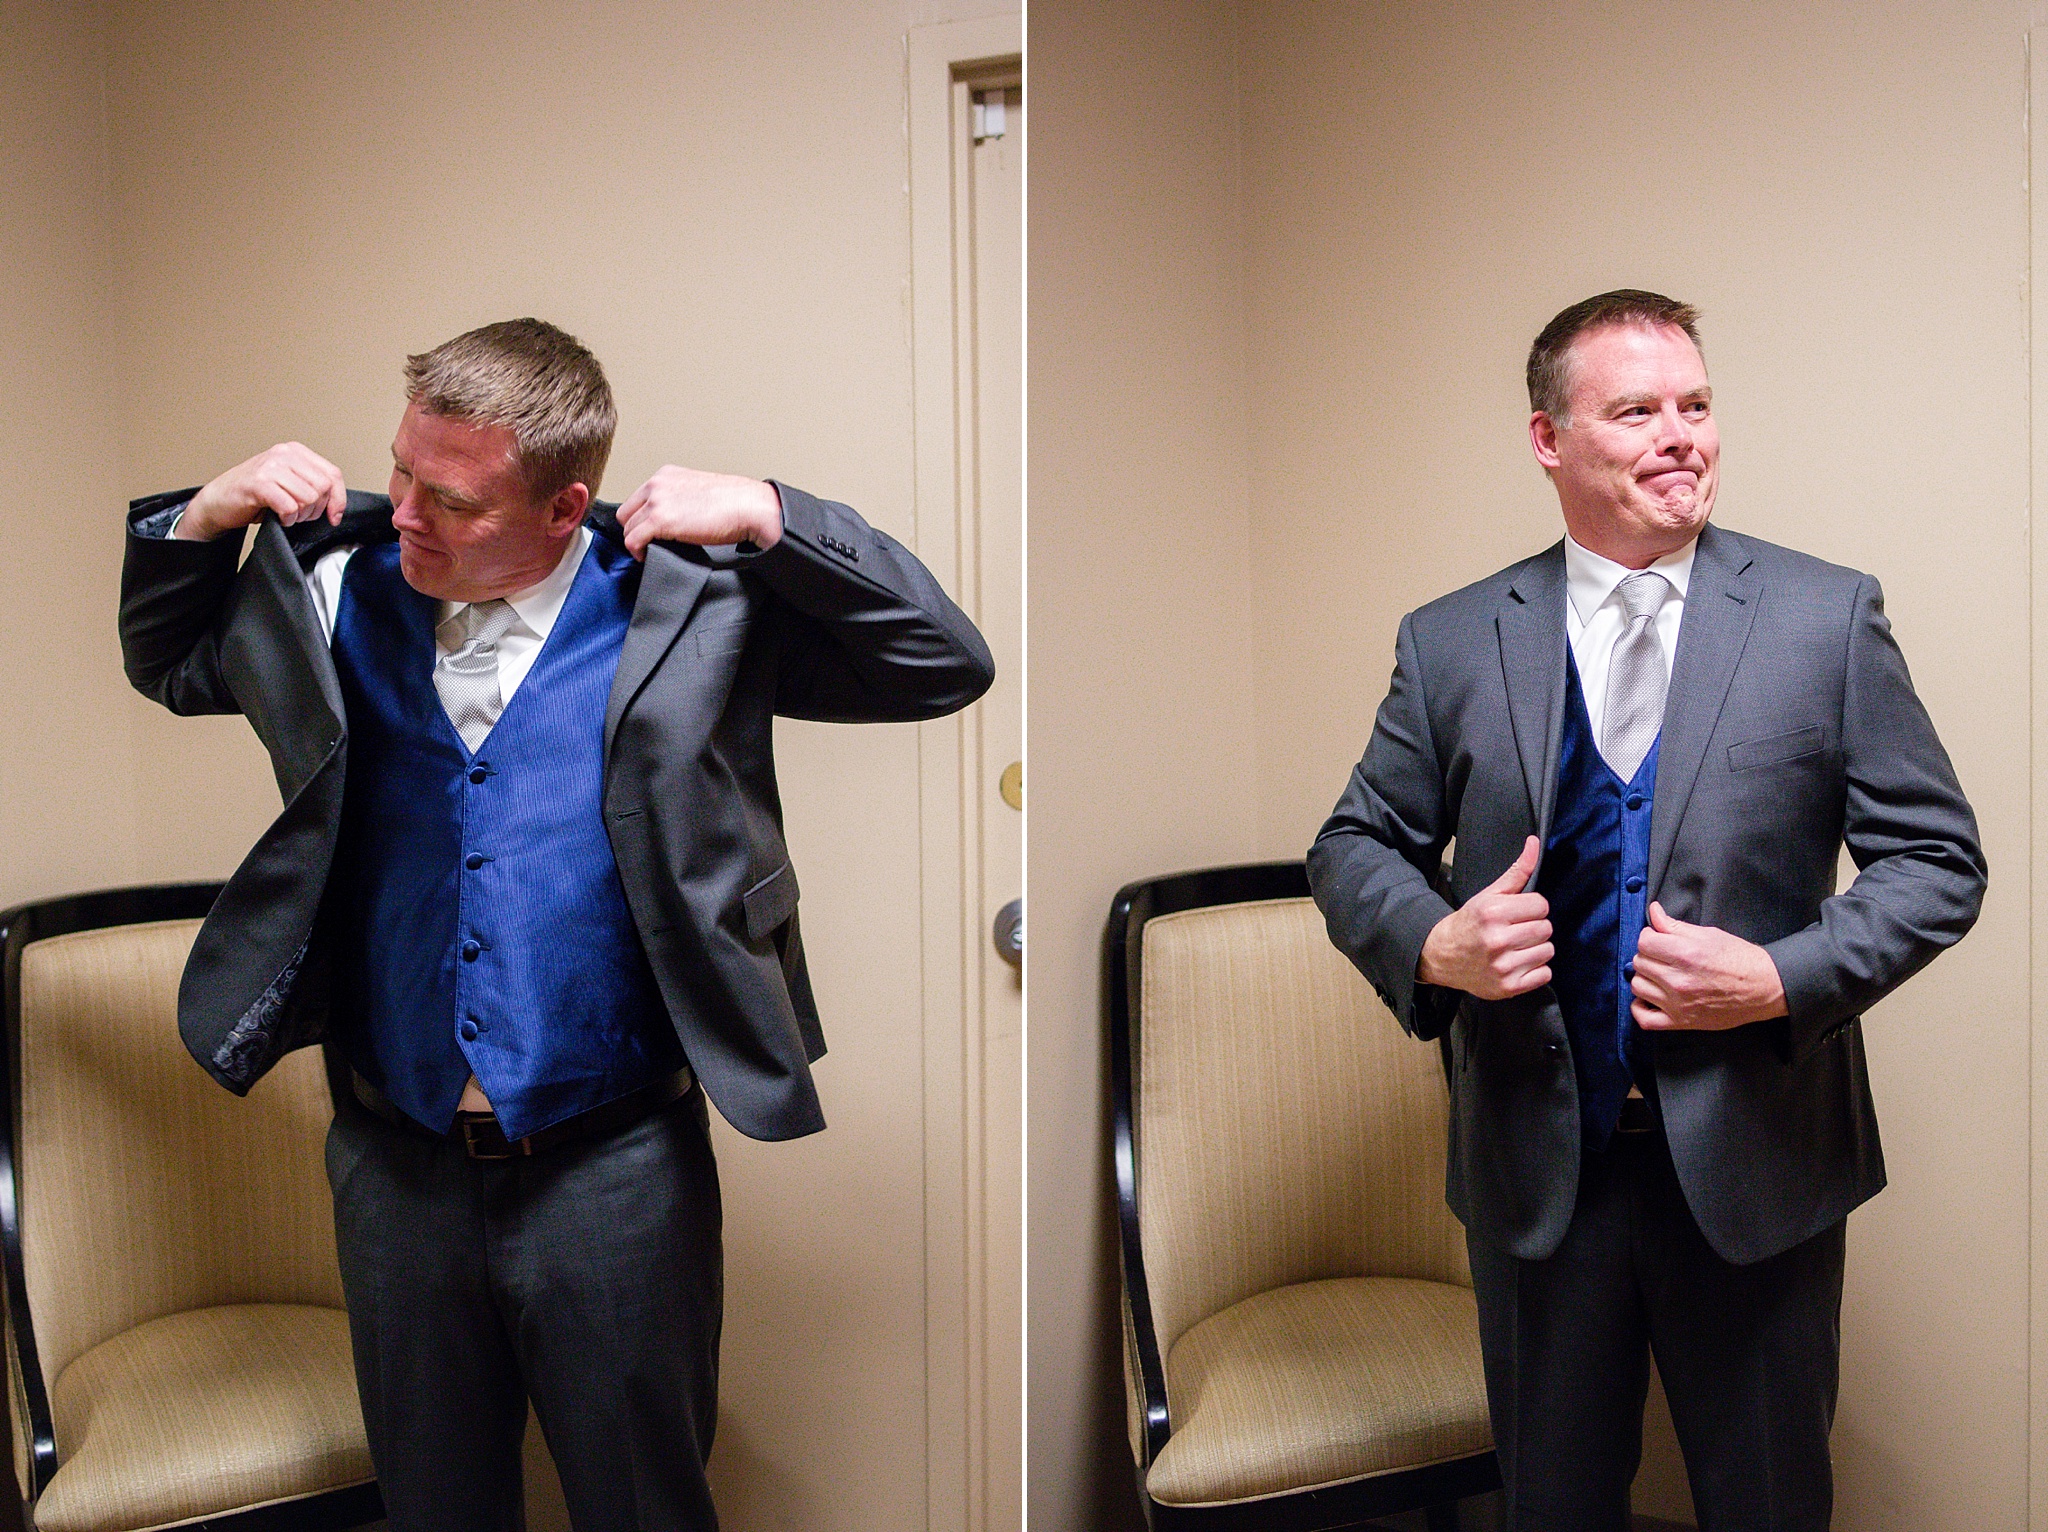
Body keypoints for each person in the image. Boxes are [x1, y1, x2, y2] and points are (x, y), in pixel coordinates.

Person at [118, 317, 994, 1532]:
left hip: (617, 1173)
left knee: (643, 1506)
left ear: (564, 506)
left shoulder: (685, 605)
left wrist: (773, 507)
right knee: (434, 1510)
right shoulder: (332, 592)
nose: (406, 510)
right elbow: (163, 662)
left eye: (455, 500)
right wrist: (205, 517)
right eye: (404, 470)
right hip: (392, 1163)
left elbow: (941, 661)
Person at [1306, 290, 1984, 1530]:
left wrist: (1780, 976)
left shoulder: (1822, 617)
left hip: (1758, 1163)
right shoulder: (1452, 639)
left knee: (1768, 1506)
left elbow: (1936, 859)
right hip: (1533, 1173)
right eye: (1635, 410)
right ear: (1546, 439)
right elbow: (1351, 842)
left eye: (1697, 404)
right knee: (1552, 1507)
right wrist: (1432, 942)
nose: (1681, 435)